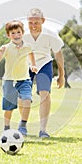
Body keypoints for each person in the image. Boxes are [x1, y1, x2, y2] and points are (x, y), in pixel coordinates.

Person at [22, 8, 65, 138]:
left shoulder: (51, 34)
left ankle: (43, 130)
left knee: (44, 94)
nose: (33, 26)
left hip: (44, 64)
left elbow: (58, 55)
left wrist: (61, 76)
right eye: (30, 23)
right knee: (23, 96)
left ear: (43, 21)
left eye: (36, 23)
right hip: (27, 65)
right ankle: (23, 126)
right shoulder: (22, 34)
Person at [0, 20, 38, 135]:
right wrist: (0, 53)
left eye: (18, 32)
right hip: (9, 81)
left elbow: (31, 54)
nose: (16, 35)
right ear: (8, 35)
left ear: (22, 33)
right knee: (9, 108)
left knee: (27, 100)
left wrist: (33, 65)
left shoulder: (27, 46)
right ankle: (6, 127)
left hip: (24, 80)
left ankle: (22, 125)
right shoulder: (6, 48)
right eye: (13, 33)